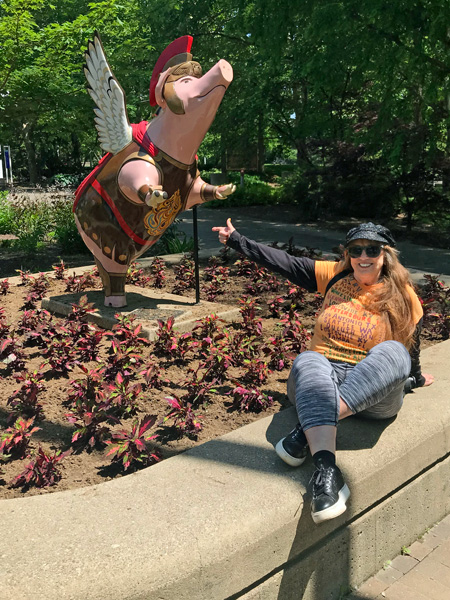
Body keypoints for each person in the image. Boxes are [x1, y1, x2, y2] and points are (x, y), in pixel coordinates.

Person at [212, 219, 434, 524]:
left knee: (394, 351)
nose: (363, 256)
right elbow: (284, 262)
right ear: (348, 254)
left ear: (386, 255)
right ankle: (327, 475)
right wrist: (237, 240)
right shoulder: (334, 275)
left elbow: (412, 344)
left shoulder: (402, 294)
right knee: (308, 359)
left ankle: (306, 430)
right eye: (356, 249)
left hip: (371, 394)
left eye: (372, 249)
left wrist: (416, 377)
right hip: (321, 380)